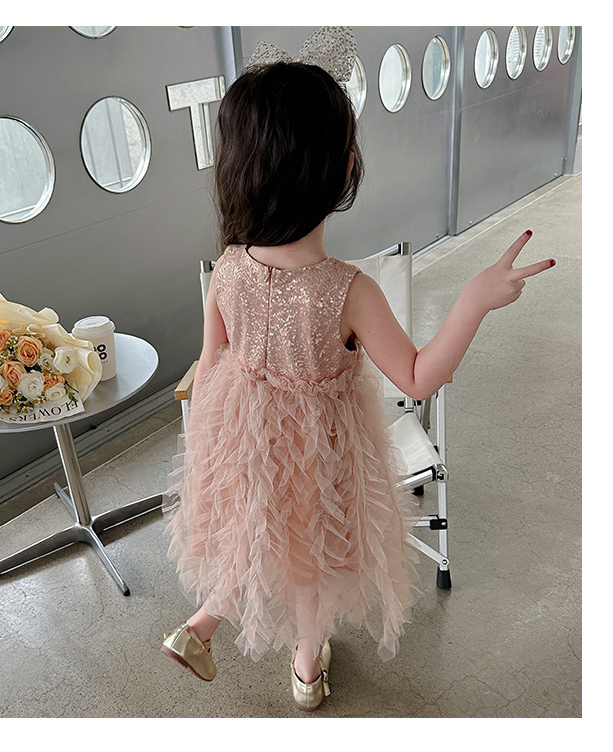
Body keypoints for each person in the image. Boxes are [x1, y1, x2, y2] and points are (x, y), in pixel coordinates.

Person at [160, 27, 555, 712]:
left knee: (254, 530)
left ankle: (201, 625)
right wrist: (474, 299)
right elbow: (418, 378)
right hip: (322, 452)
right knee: (314, 554)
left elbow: (210, 361)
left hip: (243, 441)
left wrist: (214, 439)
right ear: (344, 171)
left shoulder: (227, 267)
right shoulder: (347, 290)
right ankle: (306, 669)